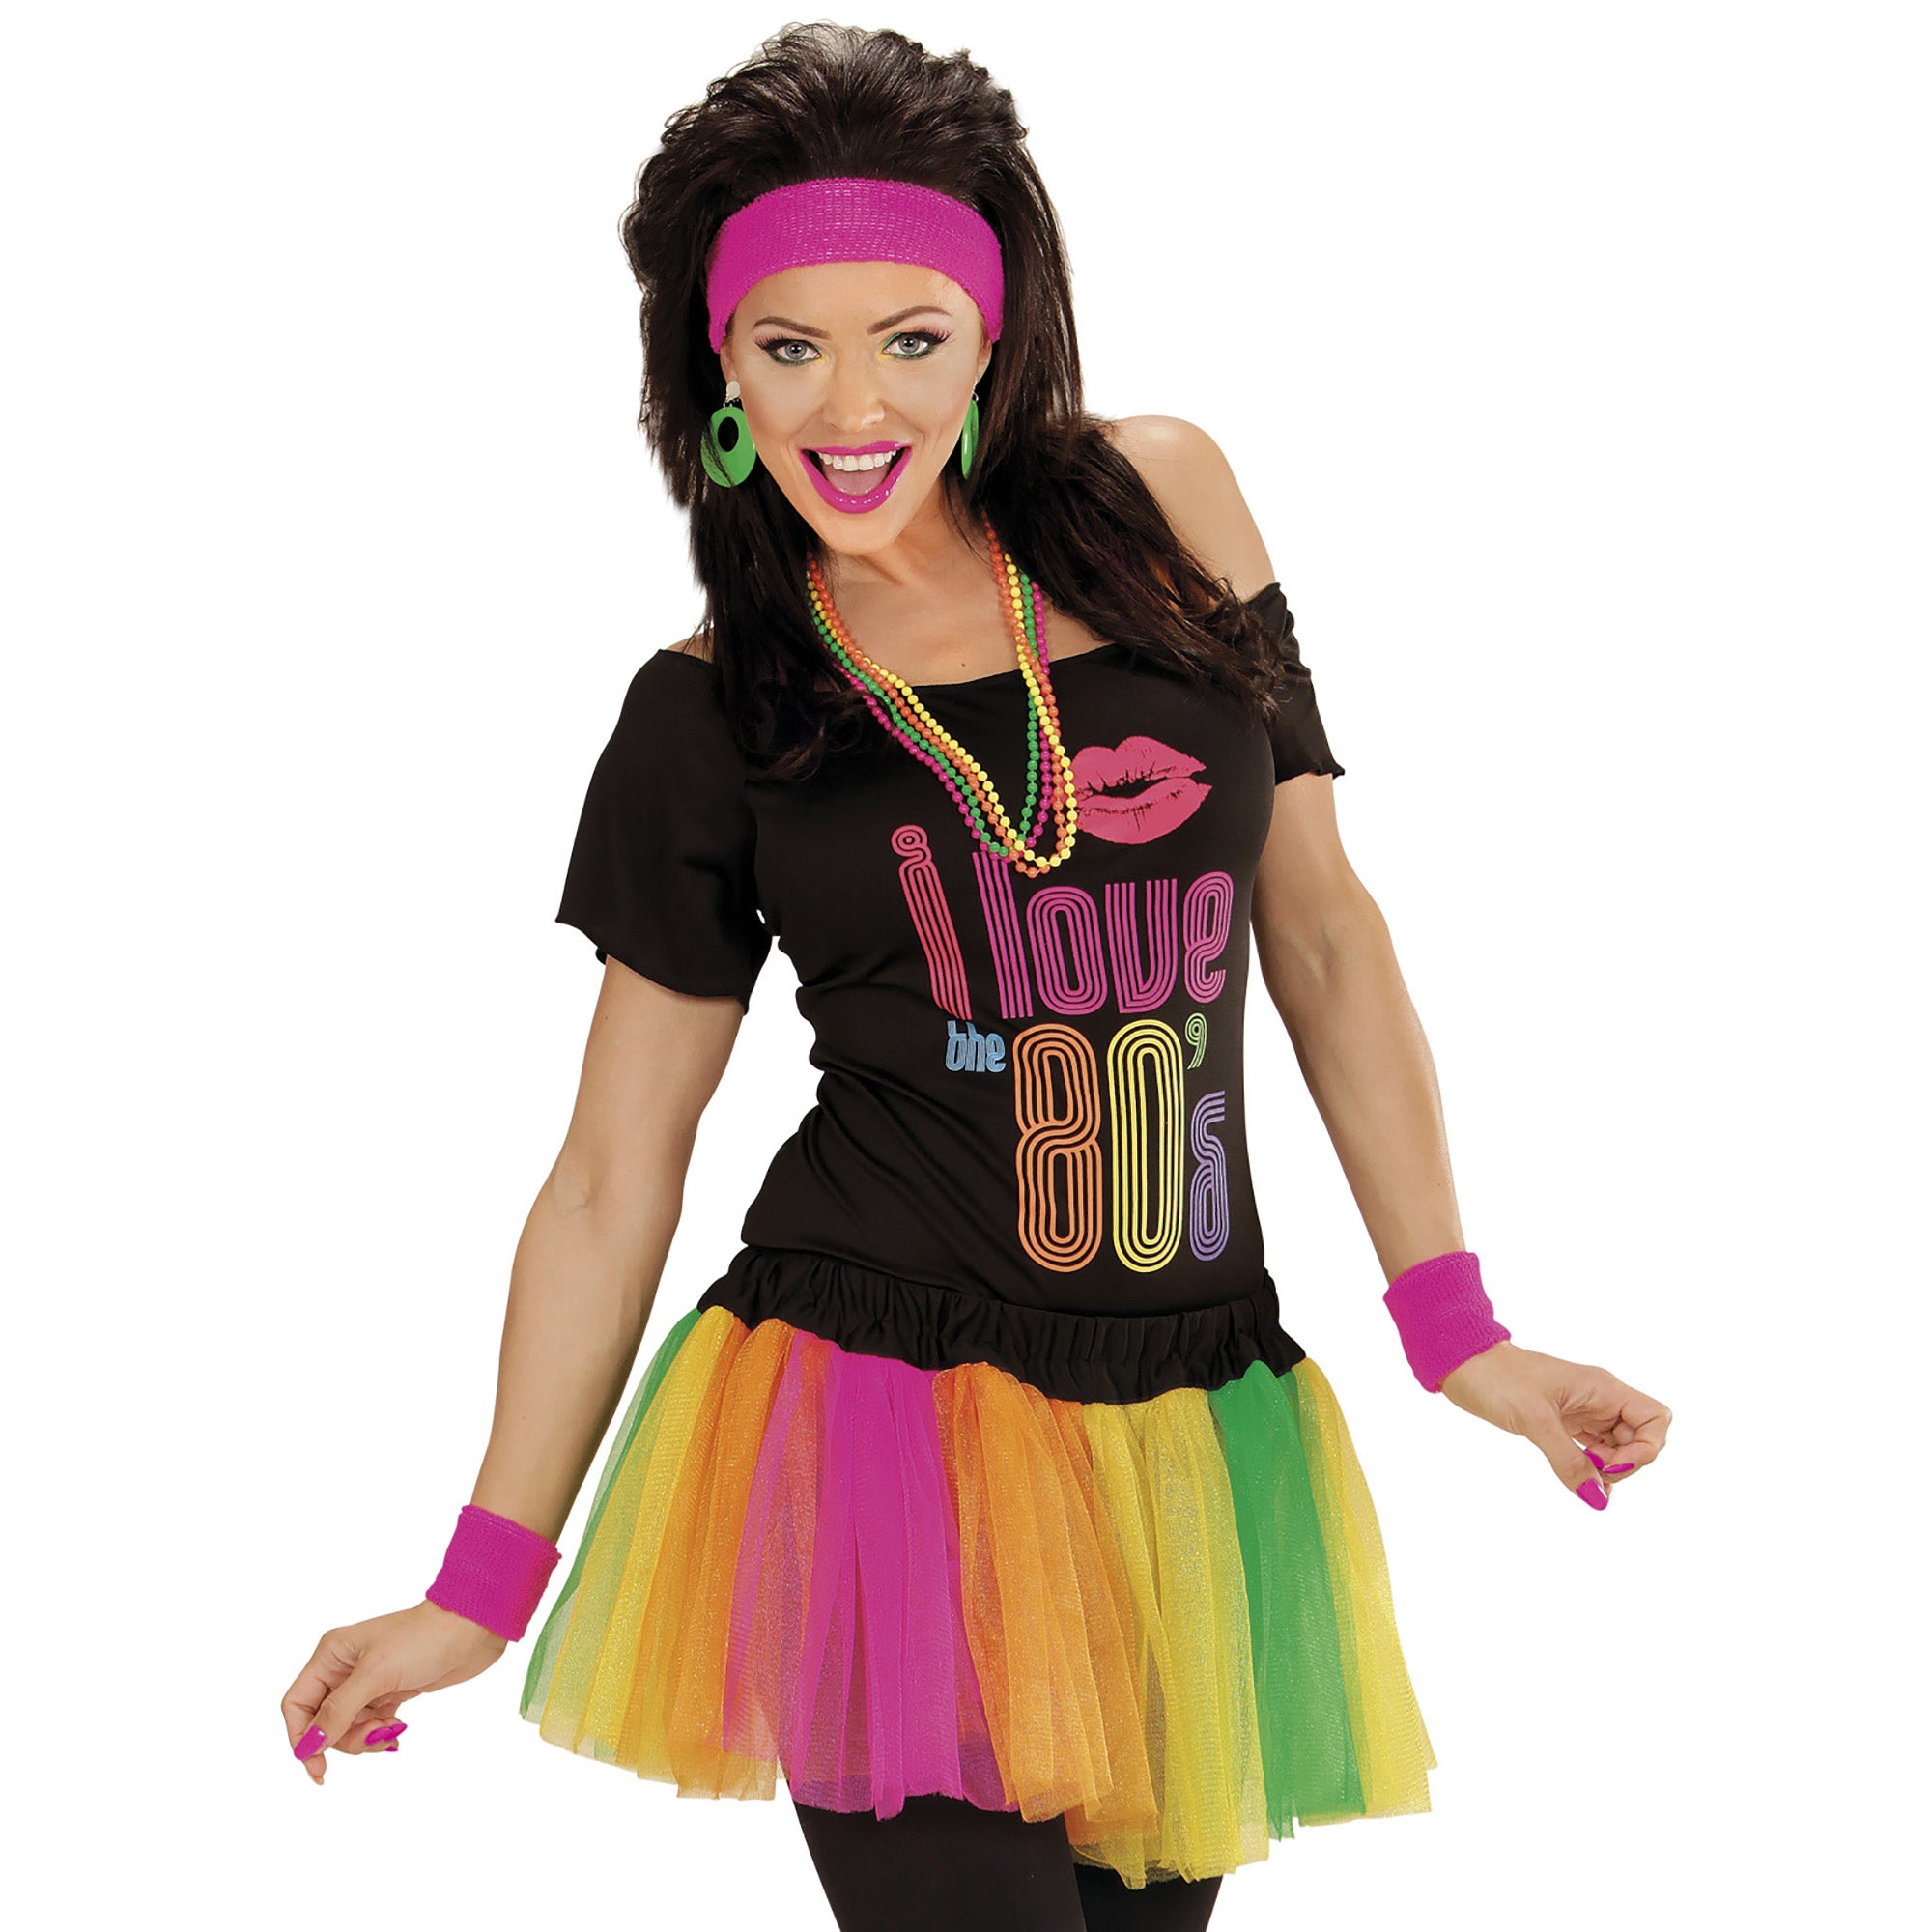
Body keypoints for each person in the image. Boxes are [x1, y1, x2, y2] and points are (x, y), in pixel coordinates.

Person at [281, 24, 1672, 1932]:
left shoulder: (1167, 503)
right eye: (790, 347)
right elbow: (612, 1170)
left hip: (1187, 1426)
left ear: (996, 338)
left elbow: (1324, 932)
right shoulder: (710, 710)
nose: (851, 405)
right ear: (716, 361)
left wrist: (1459, 1332)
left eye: (911, 339)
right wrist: (481, 1580)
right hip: (881, 1429)